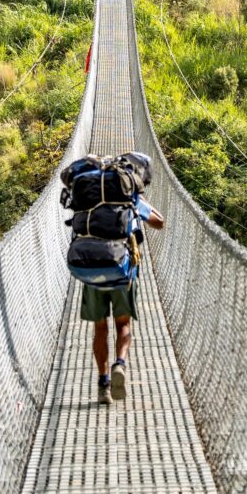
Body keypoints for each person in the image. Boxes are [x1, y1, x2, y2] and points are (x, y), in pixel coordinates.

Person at [77, 155, 164, 405]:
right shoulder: (130, 198)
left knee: (99, 328)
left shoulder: (88, 196)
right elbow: (159, 222)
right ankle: (120, 364)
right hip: (122, 270)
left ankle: (103, 383)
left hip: (91, 268)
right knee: (123, 325)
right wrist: (140, 200)